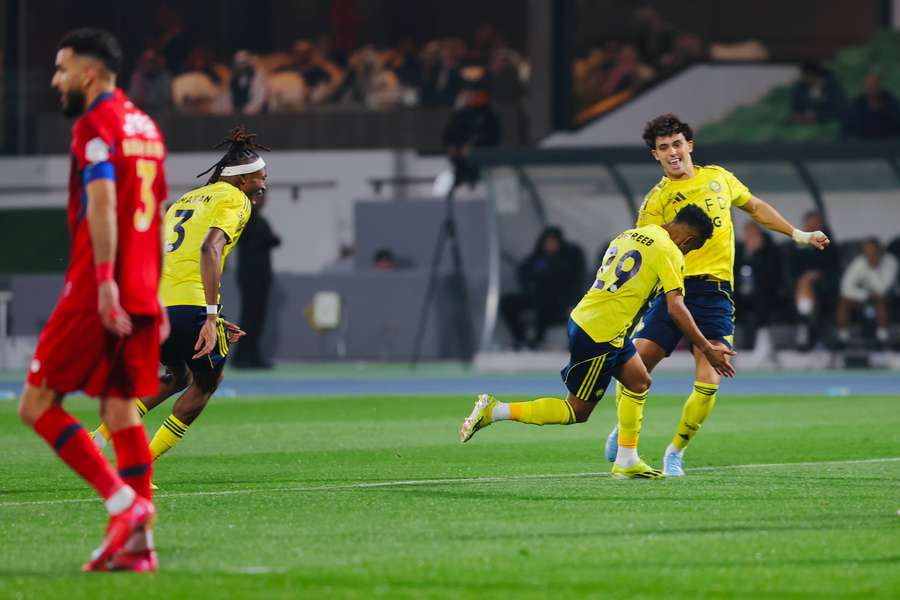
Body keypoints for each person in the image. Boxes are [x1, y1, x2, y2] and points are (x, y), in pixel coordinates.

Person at [603, 114, 830, 477]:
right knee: (634, 368)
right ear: (655, 155)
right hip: (673, 291)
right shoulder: (656, 201)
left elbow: (755, 207)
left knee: (709, 381)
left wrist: (799, 235)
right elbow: (647, 253)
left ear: (689, 145)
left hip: (715, 293)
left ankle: (675, 452)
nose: (672, 152)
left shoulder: (719, 178)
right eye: (664, 147)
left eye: (677, 144)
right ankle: (624, 430)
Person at [18, 28, 168, 572]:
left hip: (96, 289)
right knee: (120, 409)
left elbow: (103, 203)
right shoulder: (146, 127)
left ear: (88, 73)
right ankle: (139, 548)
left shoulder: (94, 125)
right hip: (143, 290)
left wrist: (105, 282)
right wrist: (153, 293)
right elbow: (156, 212)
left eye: (61, 69)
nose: (55, 81)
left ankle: (124, 504)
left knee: (36, 405)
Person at [461, 206, 736, 480]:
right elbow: (676, 308)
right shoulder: (670, 252)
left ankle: (627, 459)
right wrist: (707, 348)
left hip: (597, 320)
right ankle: (496, 410)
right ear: (688, 240)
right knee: (576, 411)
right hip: (600, 333)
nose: (687, 253)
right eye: (692, 248)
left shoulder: (630, 235)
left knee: (639, 381)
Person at [91, 127, 267, 470]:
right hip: (192, 305)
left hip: (156, 306)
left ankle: (97, 439)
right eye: (261, 177)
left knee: (177, 375)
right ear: (242, 180)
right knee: (207, 382)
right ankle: (140, 464)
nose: (264, 184)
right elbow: (209, 248)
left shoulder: (184, 201)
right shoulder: (236, 200)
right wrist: (210, 316)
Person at [499, 227, 586, 350]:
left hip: (559, 302)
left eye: (553, 242)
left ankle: (538, 340)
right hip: (535, 297)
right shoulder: (537, 258)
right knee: (507, 303)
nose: (550, 245)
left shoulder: (568, 259)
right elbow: (523, 273)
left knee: (545, 302)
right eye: (548, 242)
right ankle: (520, 338)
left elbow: (570, 281)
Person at [234, 191, 281, 369]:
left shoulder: (257, 220)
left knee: (255, 317)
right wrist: (270, 239)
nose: (263, 200)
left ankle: (250, 356)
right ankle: (244, 357)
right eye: (260, 196)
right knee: (251, 317)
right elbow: (267, 240)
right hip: (252, 277)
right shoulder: (248, 219)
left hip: (256, 277)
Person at [442, 67, 502, 187]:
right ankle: (462, 178)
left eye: (474, 94)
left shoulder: (488, 115)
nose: (471, 96)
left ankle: (472, 179)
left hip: (481, 156)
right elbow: (449, 132)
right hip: (460, 157)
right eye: (469, 94)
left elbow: (491, 135)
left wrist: (473, 146)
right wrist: (451, 145)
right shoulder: (461, 114)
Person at [735, 221, 785, 363]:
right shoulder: (739, 250)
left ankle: (763, 345)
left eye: (752, 233)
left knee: (761, 301)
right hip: (741, 291)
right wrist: (748, 254)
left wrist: (755, 254)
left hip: (765, 291)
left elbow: (771, 275)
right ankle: (729, 344)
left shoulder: (769, 250)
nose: (749, 236)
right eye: (747, 233)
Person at [790, 210, 839, 350]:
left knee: (805, 285)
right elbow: (793, 266)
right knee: (804, 284)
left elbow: (832, 264)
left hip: (823, 281)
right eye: (809, 223)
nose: (812, 226)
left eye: (815, 223)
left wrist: (815, 274)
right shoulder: (798, 243)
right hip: (802, 283)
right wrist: (804, 277)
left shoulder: (827, 242)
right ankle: (807, 326)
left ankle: (804, 324)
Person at [836, 237, 898, 348]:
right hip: (865, 297)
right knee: (844, 301)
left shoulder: (891, 262)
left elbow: (883, 289)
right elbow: (845, 287)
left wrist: (873, 267)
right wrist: (864, 295)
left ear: (880, 251)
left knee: (880, 300)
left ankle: (882, 339)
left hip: (888, 298)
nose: (870, 255)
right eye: (867, 252)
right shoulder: (859, 262)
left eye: (873, 252)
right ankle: (842, 339)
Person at [843, 73, 900, 139]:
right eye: (868, 86)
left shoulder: (892, 105)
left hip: (889, 142)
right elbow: (846, 130)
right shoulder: (856, 106)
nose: (871, 88)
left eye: (874, 85)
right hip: (863, 143)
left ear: (879, 86)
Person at [791, 61, 845, 125]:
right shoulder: (800, 88)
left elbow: (839, 110)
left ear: (815, 75)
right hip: (804, 125)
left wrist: (818, 116)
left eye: (806, 75)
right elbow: (796, 107)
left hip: (828, 124)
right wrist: (799, 115)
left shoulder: (832, 87)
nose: (803, 78)